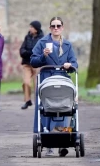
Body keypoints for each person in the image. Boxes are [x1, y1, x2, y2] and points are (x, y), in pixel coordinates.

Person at [30, 16, 78, 156]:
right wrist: (43, 56)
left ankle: (62, 141)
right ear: (50, 28)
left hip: (62, 79)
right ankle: (49, 143)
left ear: (62, 27)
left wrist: (70, 66)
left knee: (64, 107)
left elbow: (75, 63)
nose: (55, 28)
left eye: (58, 26)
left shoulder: (67, 45)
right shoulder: (42, 42)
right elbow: (33, 61)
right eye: (53, 26)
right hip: (47, 79)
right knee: (47, 108)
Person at [19, 20, 44, 109]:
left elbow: (40, 52)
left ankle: (39, 101)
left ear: (36, 29)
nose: (30, 29)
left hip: (37, 64)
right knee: (26, 82)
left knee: (37, 84)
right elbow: (22, 50)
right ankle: (27, 100)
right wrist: (30, 52)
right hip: (27, 64)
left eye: (32, 27)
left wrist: (29, 52)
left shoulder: (42, 39)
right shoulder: (27, 37)